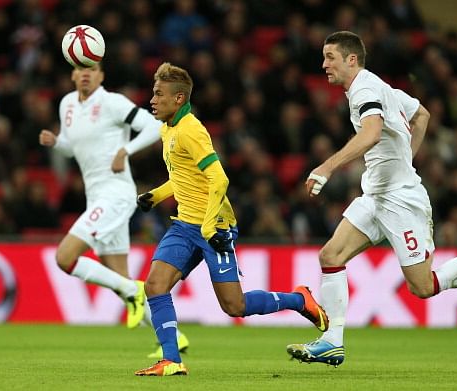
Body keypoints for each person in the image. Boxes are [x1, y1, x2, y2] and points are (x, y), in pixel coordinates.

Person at [286, 31, 457, 367]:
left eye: (330, 57)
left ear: (351, 59)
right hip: (376, 194)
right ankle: (332, 341)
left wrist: (326, 167)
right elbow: (422, 114)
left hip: (402, 201)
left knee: (423, 287)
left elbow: (370, 133)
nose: (323, 64)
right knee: (330, 255)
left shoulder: (365, 90)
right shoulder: (382, 88)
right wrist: (406, 159)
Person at [134, 62, 328, 377]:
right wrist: (155, 195)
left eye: (159, 94)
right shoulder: (167, 128)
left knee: (233, 306)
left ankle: (298, 299)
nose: (152, 99)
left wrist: (210, 225)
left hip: (215, 227)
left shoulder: (190, 130)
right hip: (185, 226)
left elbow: (219, 180)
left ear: (179, 99)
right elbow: (185, 178)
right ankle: (171, 359)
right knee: (155, 285)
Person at [38, 63, 189, 356]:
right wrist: (57, 143)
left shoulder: (112, 102)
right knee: (118, 278)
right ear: (71, 74)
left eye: (91, 68)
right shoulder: (67, 105)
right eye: (80, 68)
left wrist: (126, 150)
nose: (85, 73)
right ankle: (173, 338)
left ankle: (134, 291)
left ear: (101, 76)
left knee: (64, 257)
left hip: (115, 194)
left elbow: (153, 126)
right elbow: (74, 147)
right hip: (95, 197)